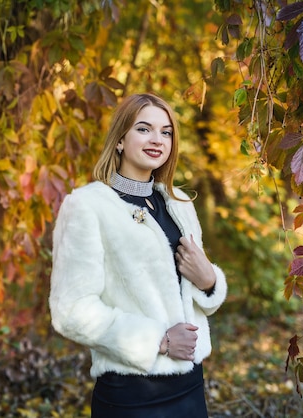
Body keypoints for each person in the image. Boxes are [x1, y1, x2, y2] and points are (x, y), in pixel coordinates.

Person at [49, 92, 227, 417]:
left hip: (189, 385)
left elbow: (202, 299)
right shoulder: (87, 206)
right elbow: (70, 310)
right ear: (119, 140)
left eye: (166, 131)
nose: (157, 139)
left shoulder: (180, 204)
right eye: (143, 129)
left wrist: (210, 281)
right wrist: (158, 340)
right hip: (131, 392)